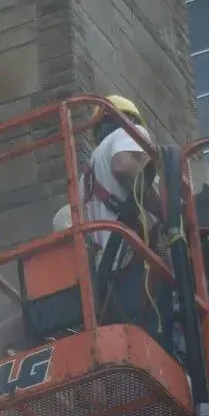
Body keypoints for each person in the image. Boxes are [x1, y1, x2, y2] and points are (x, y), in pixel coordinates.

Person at [81, 95, 166, 337]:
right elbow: (124, 166)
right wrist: (166, 211)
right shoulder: (130, 131)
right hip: (131, 264)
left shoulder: (85, 177)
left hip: (102, 280)